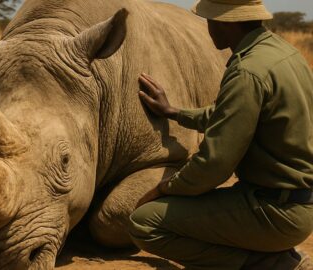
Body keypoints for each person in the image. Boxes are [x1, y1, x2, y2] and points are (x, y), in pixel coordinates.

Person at [128, 0, 313, 269]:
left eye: (210, 19)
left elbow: (215, 164)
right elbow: (228, 116)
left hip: (274, 213)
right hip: (296, 204)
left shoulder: (247, 71)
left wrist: (164, 188)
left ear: (228, 22)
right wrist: (175, 112)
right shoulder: (282, 52)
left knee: (144, 222)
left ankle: (271, 264)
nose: (207, 27)